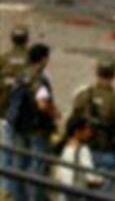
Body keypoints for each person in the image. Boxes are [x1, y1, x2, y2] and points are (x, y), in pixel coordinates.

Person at [71, 59, 115, 196]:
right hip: (107, 153)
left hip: (83, 152)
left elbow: (72, 122)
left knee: (80, 193)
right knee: (105, 195)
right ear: (113, 76)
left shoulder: (82, 96)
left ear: (97, 73)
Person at [7, 43, 60, 201]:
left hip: (18, 126)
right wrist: (54, 113)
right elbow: (42, 103)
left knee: (19, 165)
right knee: (38, 167)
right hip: (37, 129)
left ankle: (19, 197)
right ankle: (37, 198)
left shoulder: (21, 74)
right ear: (43, 59)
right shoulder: (38, 78)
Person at [0, 26, 30, 195]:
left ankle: (5, 189)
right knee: (21, 153)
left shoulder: (3, 59)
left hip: (4, 112)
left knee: (5, 152)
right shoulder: (31, 60)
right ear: (26, 39)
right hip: (24, 116)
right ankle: (17, 191)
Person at [55, 115, 103, 201]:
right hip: (77, 194)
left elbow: (59, 174)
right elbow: (90, 176)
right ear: (77, 132)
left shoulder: (65, 148)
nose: (90, 132)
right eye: (87, 129)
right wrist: (100, 180)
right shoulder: (83, 149)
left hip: (65, 193)